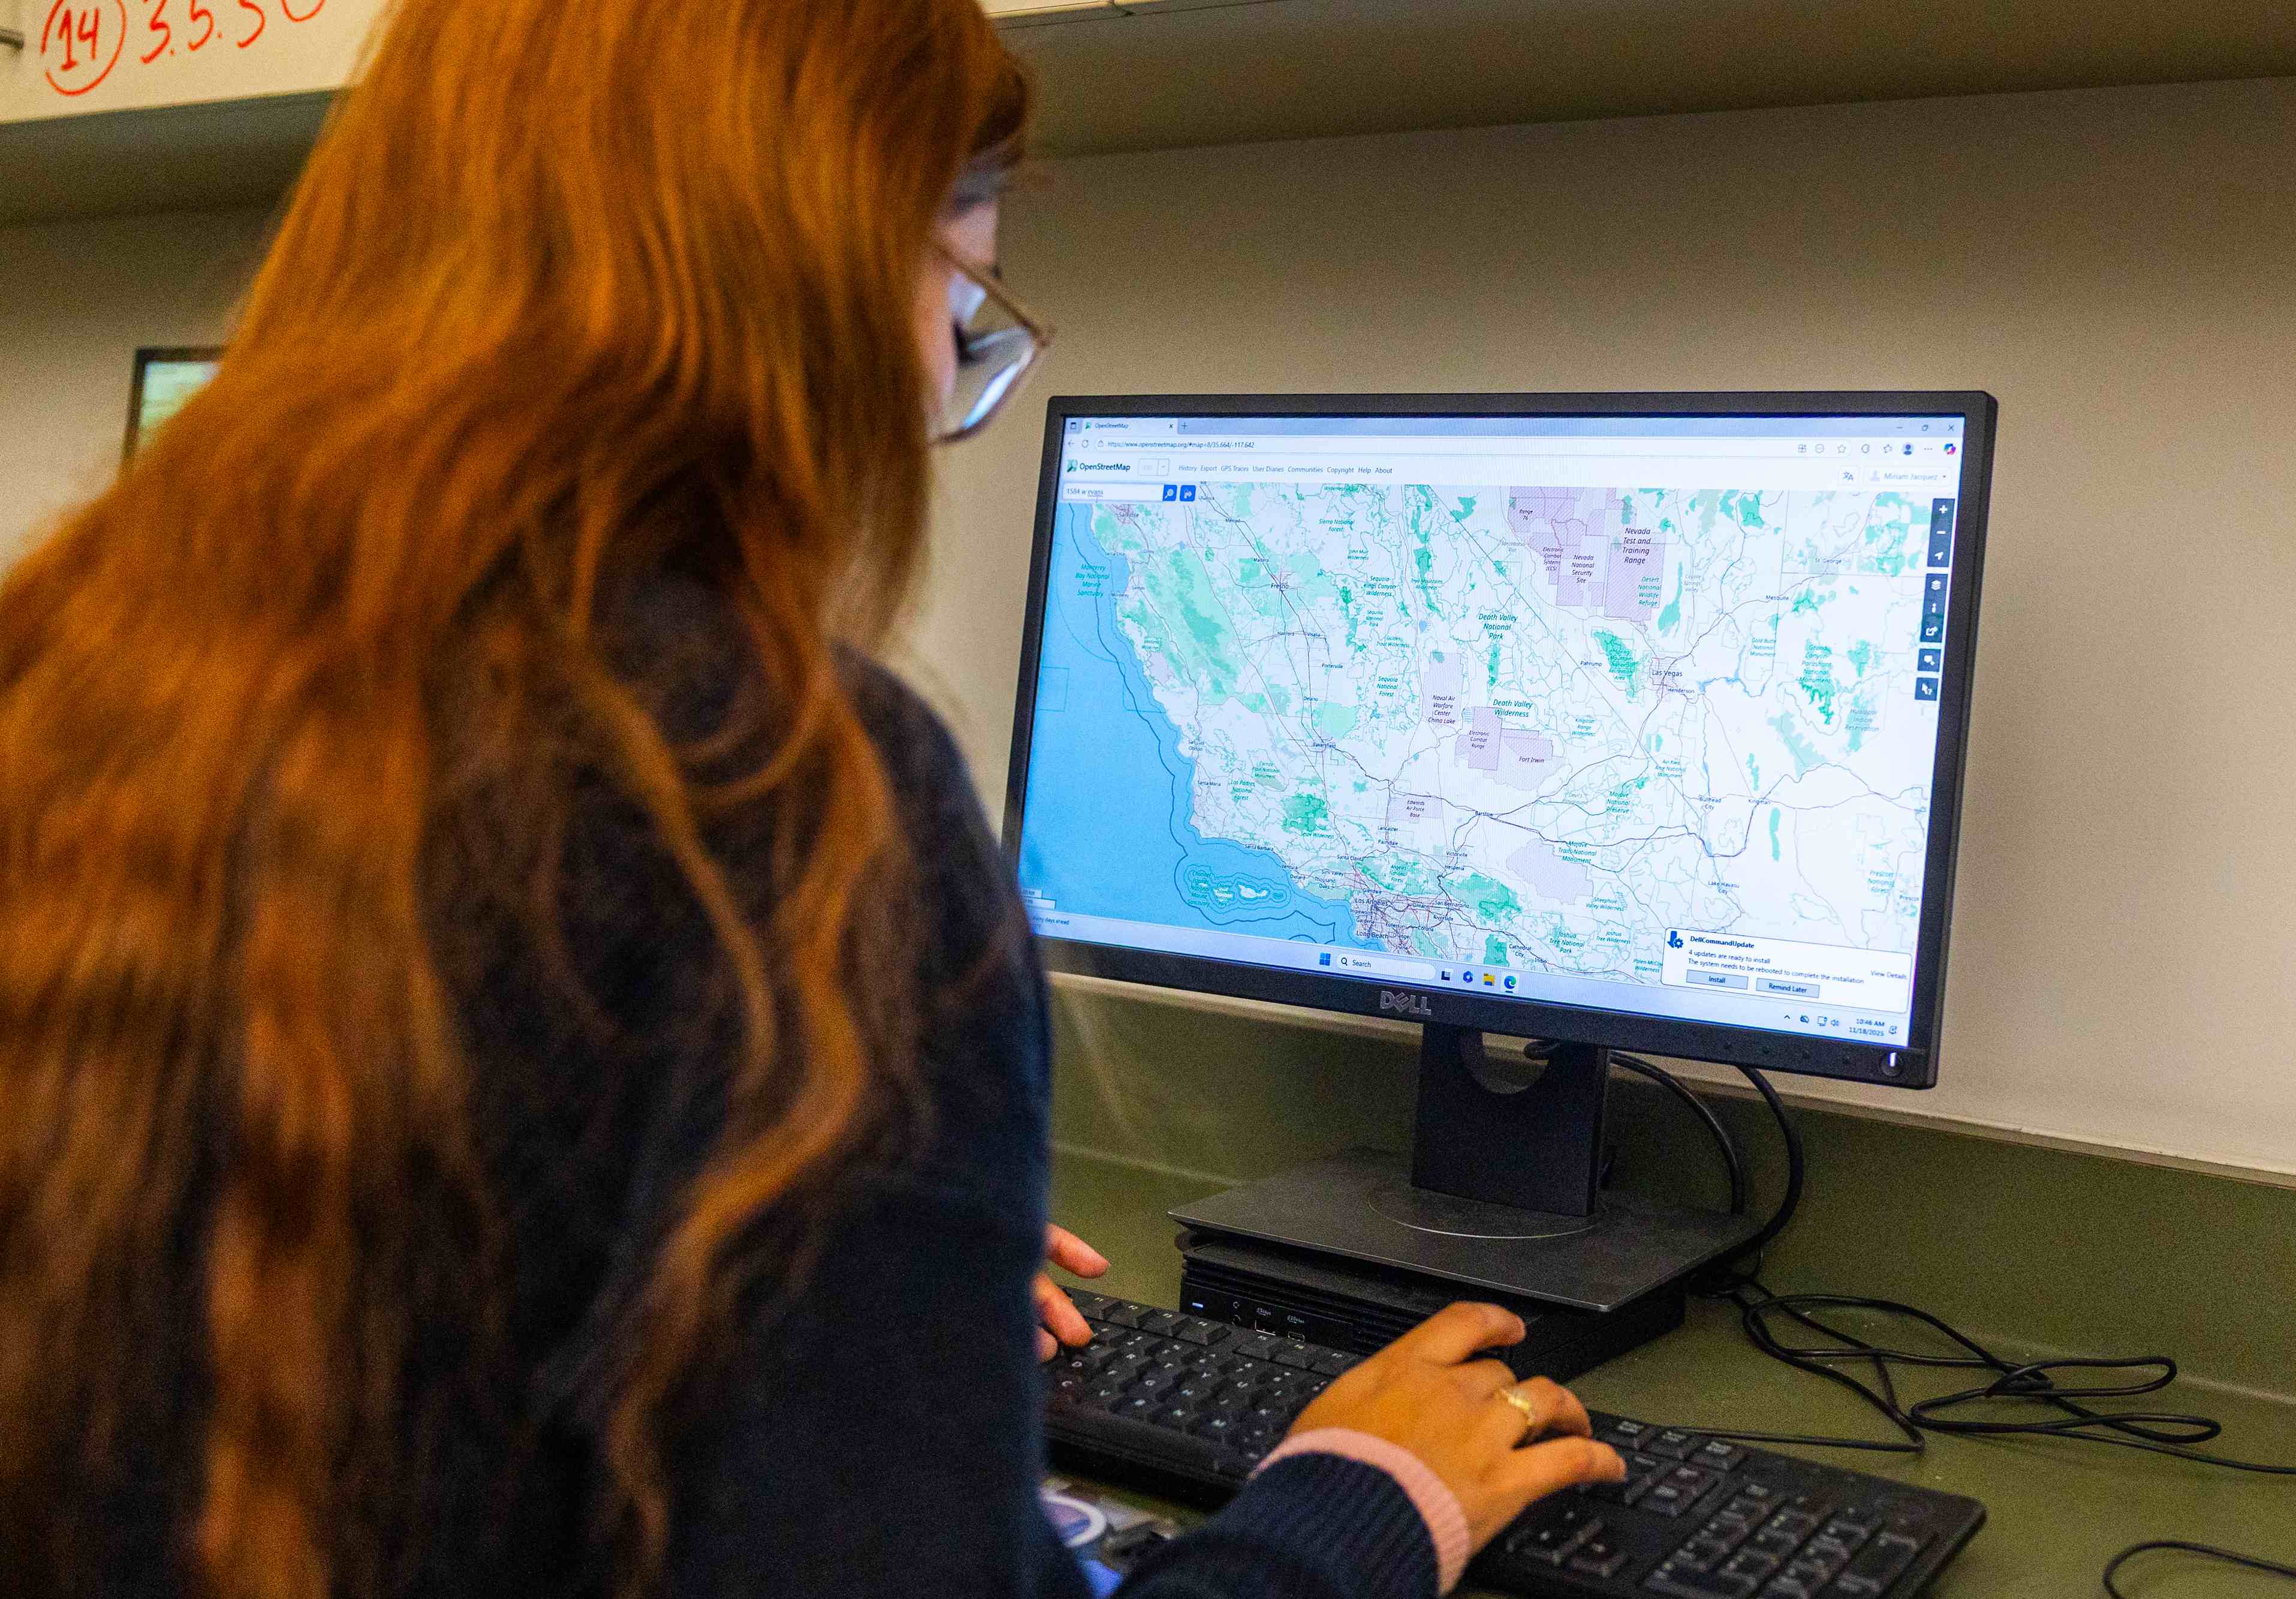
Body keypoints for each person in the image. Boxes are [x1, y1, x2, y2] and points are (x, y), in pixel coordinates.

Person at [0, 1, 1623, 1596]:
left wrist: (866, 1296)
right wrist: (1360, 1505)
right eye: (963, 305)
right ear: (826, 290)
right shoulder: (765, 796)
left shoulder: (77, 671)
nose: (936, 401)